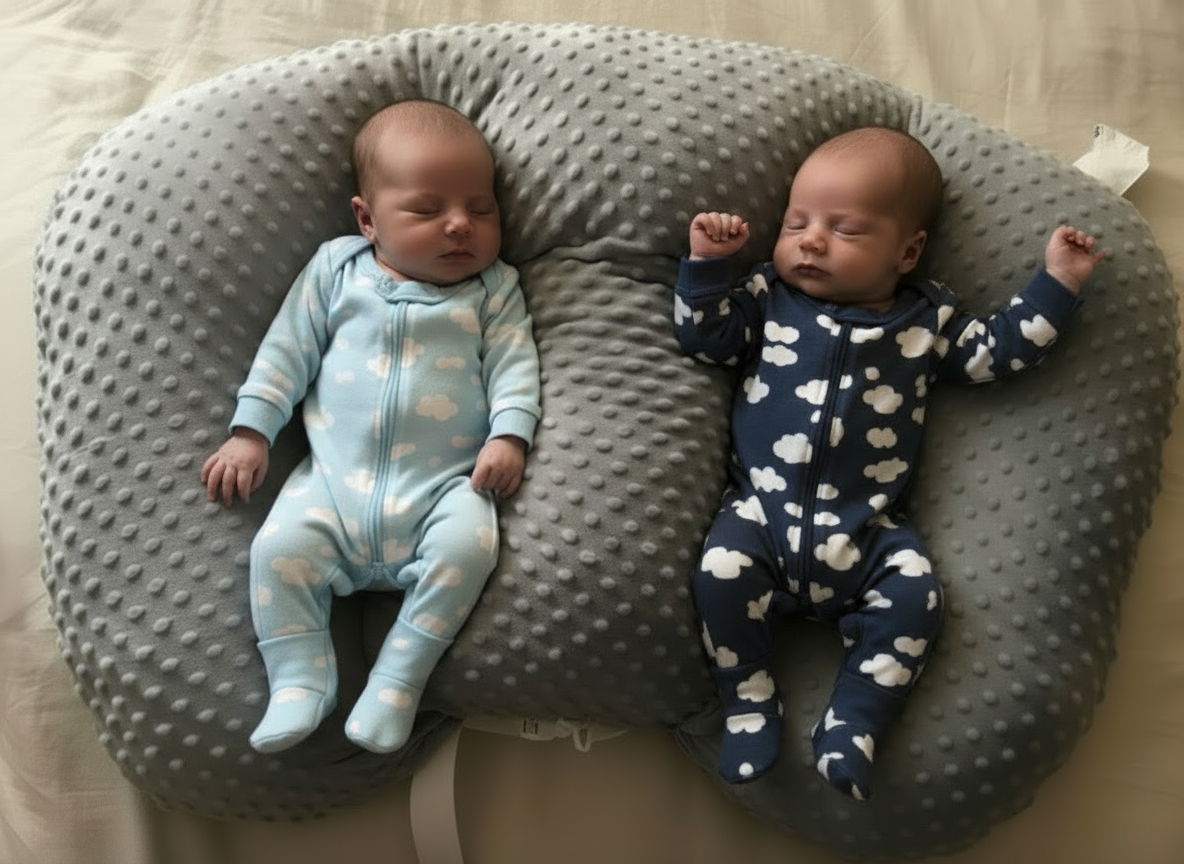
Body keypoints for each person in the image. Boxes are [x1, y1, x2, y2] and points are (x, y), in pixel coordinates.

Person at [673, 126, 1103, 800]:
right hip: (760, 515)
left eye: (844, 230)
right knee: (718, 577)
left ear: (907, 251)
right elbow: (705, 339)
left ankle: (856, 721)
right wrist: (707, 265)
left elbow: (997, 354)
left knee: (916, 599)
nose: (810, 241)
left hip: (868, 530)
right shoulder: (768, 296)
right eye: (797, 222)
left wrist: (1057, 283)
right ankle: (749, 702)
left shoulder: (927, 323)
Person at [200, 99, 542, 754]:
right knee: (276, 553)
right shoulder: (337, 270)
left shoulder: (492, 290)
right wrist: (251, 432)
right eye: (426, 210)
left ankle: (398, 679)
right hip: (331, 485)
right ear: (368, 218)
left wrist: (510, 436)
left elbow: (515, 367)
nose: (459, 226)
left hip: (443, 489)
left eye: (481, 208)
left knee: (471, 549)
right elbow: (285, 353)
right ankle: (299, 678)